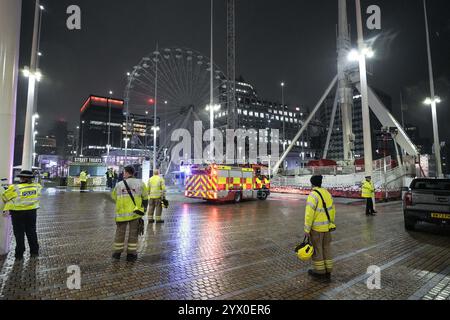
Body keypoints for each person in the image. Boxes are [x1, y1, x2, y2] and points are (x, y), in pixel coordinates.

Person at [1, 171, 42, 261]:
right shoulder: (37, 187)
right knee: (31, 232)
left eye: (21, 177)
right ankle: (34, 251)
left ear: (22, 178)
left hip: (18, 213)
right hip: (32, 212)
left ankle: (19, 254)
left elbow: (4, 197)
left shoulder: (15, 188)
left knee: (19, 234)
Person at [111, 166, 148, 262]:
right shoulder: (141, 183)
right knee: (133, 234)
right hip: (135, 213)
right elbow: (145, 198)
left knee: (119, 234)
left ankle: (117, 254)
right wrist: (144, 209)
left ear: (127, 173)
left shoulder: (119, 185)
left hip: (121, 214)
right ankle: (131, 255)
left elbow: (114, 197)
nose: (123, 174)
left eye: (124, 172)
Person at [304, 175, 336, 281]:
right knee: (326, 249)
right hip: (327, 228)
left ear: (312, 183)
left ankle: (320, 273)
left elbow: (309, 214)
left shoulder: (313, 195)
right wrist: (330, 223)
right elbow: (332, 211)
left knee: (318, 250)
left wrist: (307, 229)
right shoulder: (327, 193)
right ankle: (328, 272)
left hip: (317, 229)